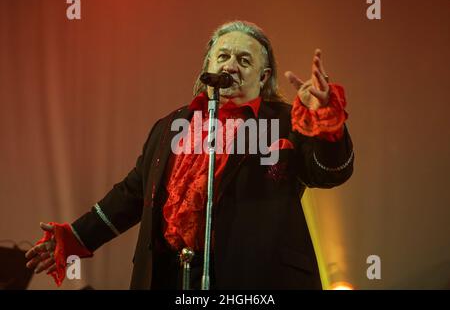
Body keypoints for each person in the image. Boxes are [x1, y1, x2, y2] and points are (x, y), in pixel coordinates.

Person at [25, 20, 354, 289]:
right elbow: (133, 193)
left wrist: (327, 122)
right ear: (208, 66)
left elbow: (329, 172)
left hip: (258, 281)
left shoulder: (285, 120)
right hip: (173, 276)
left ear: (263, 77)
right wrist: (76, 236)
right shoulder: (171, 125)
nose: (230, 66)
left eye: (244, 60)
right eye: (223, 56)